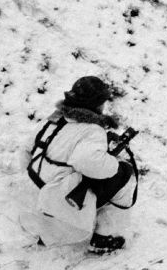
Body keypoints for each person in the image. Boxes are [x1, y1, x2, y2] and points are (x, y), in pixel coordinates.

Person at [21, 75, 139, 253]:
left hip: (35, 183)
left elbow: (26, 150)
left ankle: (51, 222)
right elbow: (86, 161)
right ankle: (105, 236)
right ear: (97, 104)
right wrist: (115, 162)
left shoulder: (55, 119)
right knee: (123, 175)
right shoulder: (93, 130)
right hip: (58, 195)